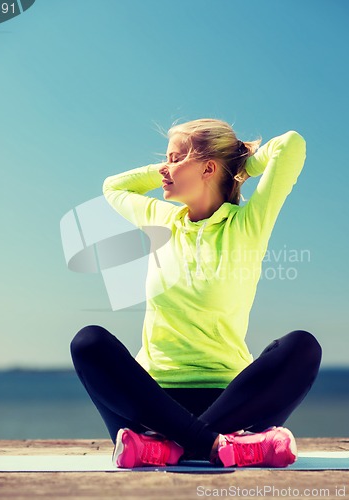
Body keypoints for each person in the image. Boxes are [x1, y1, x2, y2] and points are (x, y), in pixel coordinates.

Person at [70, 118, 322, 468]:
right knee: (89, 343)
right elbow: (114, 188)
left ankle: (173, 447)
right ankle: (219, 445)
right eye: (165, 160)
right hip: (151, 405)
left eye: (175, 159)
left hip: (233, 401)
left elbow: (290, 145)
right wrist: (171, 163)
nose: (164, 170)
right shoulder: (163, 220)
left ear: (208, 167)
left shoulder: (247, 224)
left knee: (302, 347)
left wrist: (239, 166)